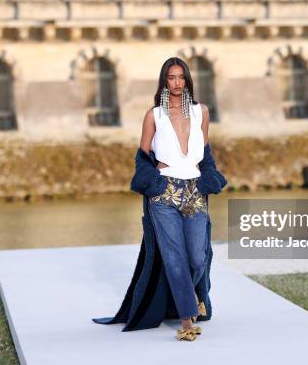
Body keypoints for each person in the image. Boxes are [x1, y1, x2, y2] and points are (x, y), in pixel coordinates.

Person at [92, 57, 227, 342]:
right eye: (171, 78)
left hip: (194, 191)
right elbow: (142, 156)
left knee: (197, 256)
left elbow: (205, 152)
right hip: (164, 194)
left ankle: (189, 295)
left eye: (181, 77)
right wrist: (153, 181)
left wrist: (208, 179)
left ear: (187, 80)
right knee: (174, 258)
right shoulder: (154, 115)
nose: (176, 83)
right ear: (164, 81)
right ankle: (187, 320)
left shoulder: (201, 112)